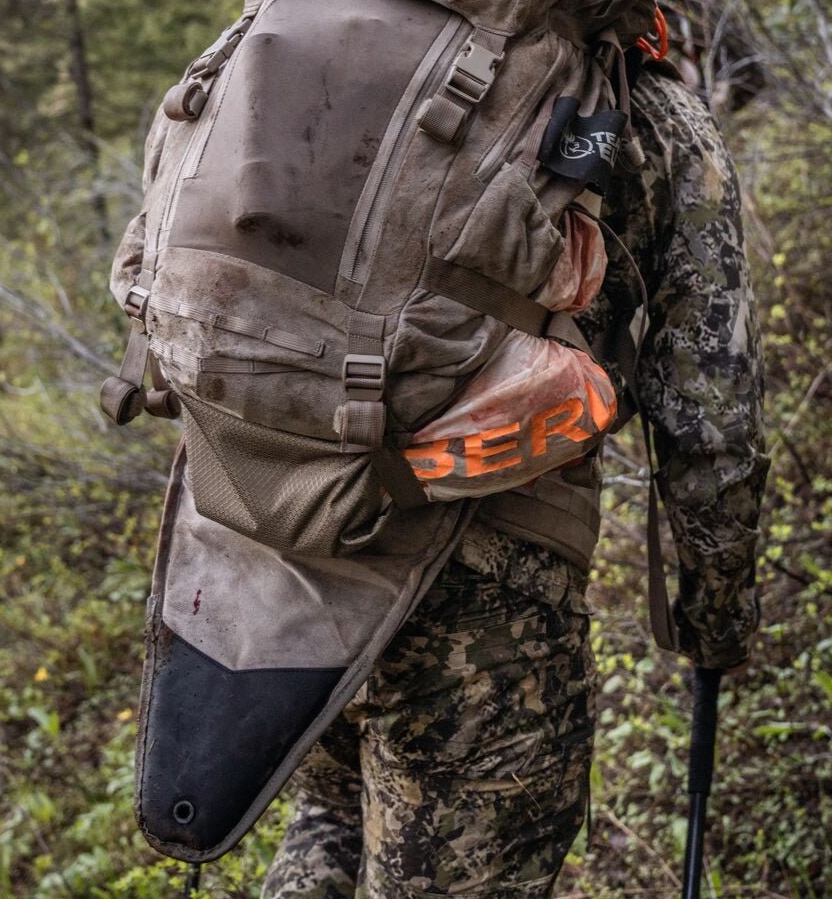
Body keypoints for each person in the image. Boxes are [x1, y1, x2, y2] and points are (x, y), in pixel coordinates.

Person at [261, 54, 770, 898]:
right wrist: (715, 617)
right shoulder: (654, 117)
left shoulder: (322, 59)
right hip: (487, 602)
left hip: (285, 541)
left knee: (332, 814)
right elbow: (713, 425)